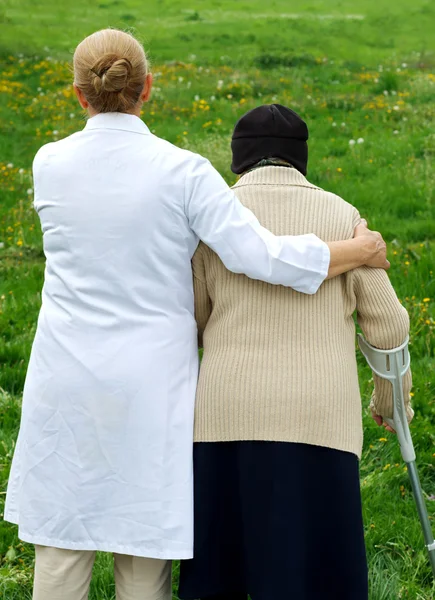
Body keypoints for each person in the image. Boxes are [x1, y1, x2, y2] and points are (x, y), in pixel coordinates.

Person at [4, 29, 388, 600]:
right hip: (151, 384)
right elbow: (259, 255)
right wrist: (354, 252)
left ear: (79, 94)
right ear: (148, 89)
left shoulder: (48, 163)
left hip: (67, 377)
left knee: (61, 546)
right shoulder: (183, 172)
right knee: (144, 554)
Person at [178, 104, 413, 600]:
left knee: (225, 575)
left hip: (225, 416)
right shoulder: (344, 216)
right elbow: (389, 324)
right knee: (316, 576)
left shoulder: (214, 218)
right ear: (300, 158)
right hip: (318, 418)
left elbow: (193, 321)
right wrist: (390, 403)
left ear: (238, 158)